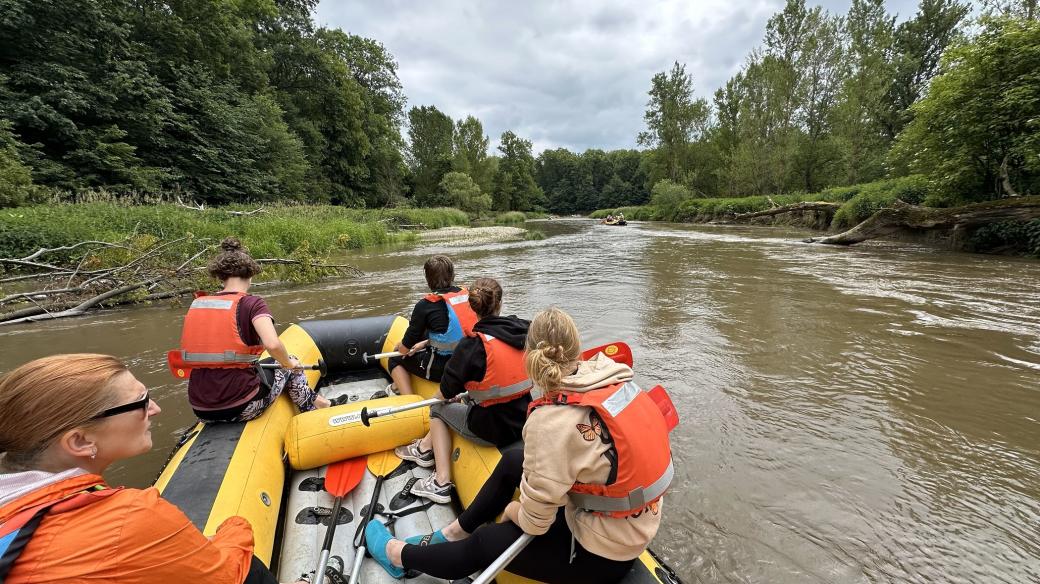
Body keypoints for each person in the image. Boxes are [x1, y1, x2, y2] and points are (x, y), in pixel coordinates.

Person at [364, 307, 673, 584]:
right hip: (631, 524)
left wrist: (512, 510)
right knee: (514, 460)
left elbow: (536, 523)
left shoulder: (550, 421)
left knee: (486, 543)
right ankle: (455, 530)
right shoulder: (617, 380)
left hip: (600, 553)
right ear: (576, 350)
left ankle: (397, 557)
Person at [0, 354, 313, 584]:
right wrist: (237, 526)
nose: (155, 409)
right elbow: (227, 574)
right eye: (140, 402)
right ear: (80, 441)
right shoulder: (128, 517)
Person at [395, 278, 531, 503]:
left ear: (471, 307)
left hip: (491, 429)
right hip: (525, 418)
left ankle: (440, 481)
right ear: (500, 304)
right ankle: (427, 449)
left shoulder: (471, 347)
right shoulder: (522, 329)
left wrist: (437, 399)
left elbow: (445, 394)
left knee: (437, 408)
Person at [177, 237, 330, 422]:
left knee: (269, 365)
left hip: (201, 409)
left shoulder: (198, 304)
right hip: (242, 406)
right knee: (290, 363)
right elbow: (272, 345)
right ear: (250, 275)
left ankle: (317, 401)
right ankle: (312, 408)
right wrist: (288, 363)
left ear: (220, 276)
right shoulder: (252, 303)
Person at [387, 255, 478, 396]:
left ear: (428, 279)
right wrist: (425, 343)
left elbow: (404, 350)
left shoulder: (424, 306)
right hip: (471, 360)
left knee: (395, 358)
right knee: (425, 335)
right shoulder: (469, 295)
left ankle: (408, 398)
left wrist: (401, 346)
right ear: (453, 275)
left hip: (445, 368)